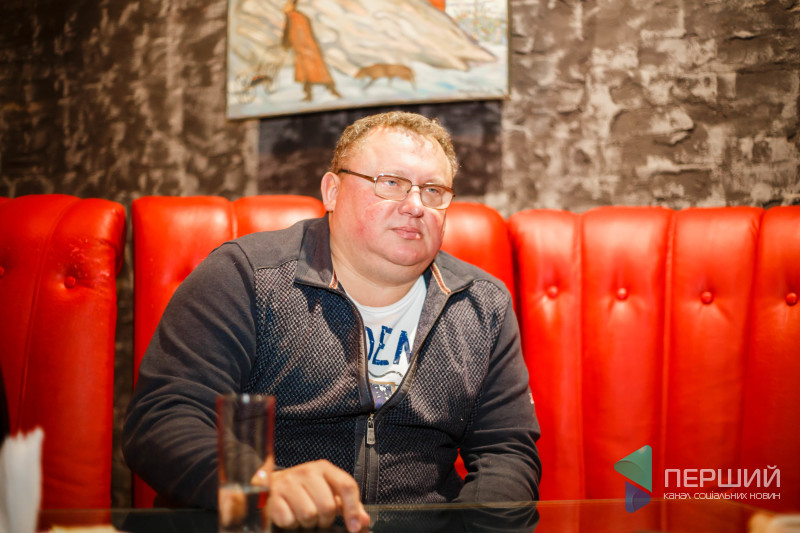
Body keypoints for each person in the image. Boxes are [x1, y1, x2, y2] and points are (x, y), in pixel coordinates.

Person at [123, 111, 541, 532]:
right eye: (391, 183)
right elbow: (162, 420)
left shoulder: (482, 304)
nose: (415, 206)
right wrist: (260, 484)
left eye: (433, 191)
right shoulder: (244, 276)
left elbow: (506, 453)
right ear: (332, 191)